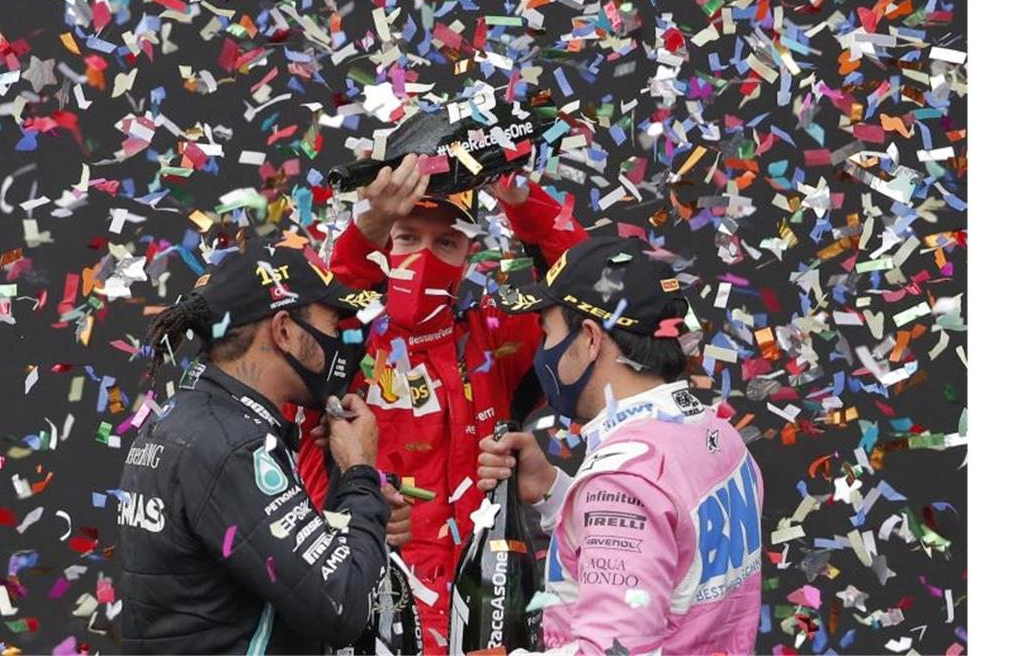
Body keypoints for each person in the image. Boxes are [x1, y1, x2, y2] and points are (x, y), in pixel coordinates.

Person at [287, 103, 588, 650]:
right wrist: (368, 227)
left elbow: (588, 294)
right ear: (384, 246)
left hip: (487, 612)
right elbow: (323, 311)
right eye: (406, 238)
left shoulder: (498, 337)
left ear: (471, 253)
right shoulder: (341, 346)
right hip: (371, 609)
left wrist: (522, 201)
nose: (424, 257)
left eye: (445, 242)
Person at [117, 233, 411, 654]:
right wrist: (360, 473)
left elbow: (261, 570)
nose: (338, 342)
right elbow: (341, 605)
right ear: (285, 330)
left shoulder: (181, 417)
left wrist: (359, 507)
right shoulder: (236, 446)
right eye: (332, 325)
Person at [478, 236, 764, 655]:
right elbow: (668, 555)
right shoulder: (717, 433)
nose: (543, 353)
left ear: (591, 339)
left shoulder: (623, 482)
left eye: (548, 333)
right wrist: (552, 488)